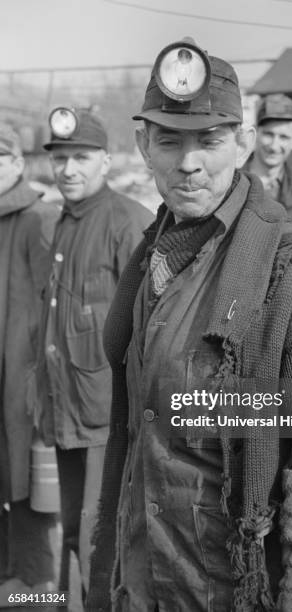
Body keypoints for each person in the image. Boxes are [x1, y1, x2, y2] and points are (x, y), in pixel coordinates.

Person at [87, 41, 292, 612]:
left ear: (243, 145)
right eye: (169, 140)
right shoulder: (150, 259)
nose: (188, 162)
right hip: (141, 583)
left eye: (209, 141)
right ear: (141, 146)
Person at [36, 108, 153, 601]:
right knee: (70, 537)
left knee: (99, 541)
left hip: (109, 421)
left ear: (106, 160)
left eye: (81, 157)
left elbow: (152, 329)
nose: (68, 169)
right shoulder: (63, 221)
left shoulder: (129, 223)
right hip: (67, 415)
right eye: (60, 158)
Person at [0, 125, 59, 604]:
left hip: (23, 380)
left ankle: (40, 590)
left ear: (18, 163)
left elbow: (51, 306)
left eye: (0, 157)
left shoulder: (38, 217)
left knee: (29, 484)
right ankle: (10, 580)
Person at [243, 93, 292, 217]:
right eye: (268, 134)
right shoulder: (230, 179)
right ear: (255, 133)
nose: (274, 146)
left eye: (283, 137)